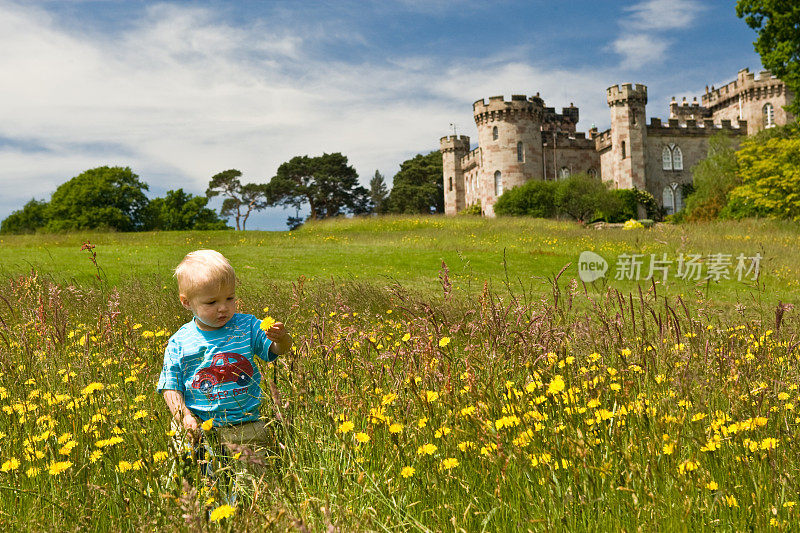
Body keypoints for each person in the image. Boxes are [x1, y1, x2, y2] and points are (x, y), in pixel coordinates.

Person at [157, 249, 293, 475]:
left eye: (230, 298)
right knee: (197, 483)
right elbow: (170, 385)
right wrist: (183, 416)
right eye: (211, 302)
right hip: (197, 428)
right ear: (186, 302)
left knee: (255, 484)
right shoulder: (179, 341)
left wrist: (282, 339)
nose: (223, 307)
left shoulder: (247, 326)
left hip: (246, 426)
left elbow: (277, 351)